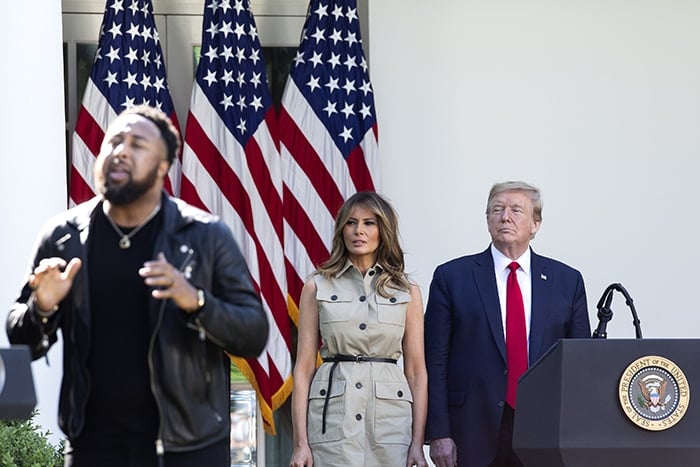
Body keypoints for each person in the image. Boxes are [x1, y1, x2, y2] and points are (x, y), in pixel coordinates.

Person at [6, 105, 269, 467]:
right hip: (93, 448)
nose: (121, 150)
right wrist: (43, 308)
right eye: (114, 141)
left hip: (188, 448)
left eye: (137, 144)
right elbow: (21, 341)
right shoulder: (63, 237)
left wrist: (197, 301)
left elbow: (253, 333)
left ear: (163, 167)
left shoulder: (204, 236)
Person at [424, 181, 591, 467]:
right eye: (497, 210)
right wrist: (438, 432)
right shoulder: (452, 277)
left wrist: (578, 432)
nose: (505, 217)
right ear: (487, 220)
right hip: (471, 429)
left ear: (535, 224)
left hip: (545, 429)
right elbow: (434, 360)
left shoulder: (567, 280)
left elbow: (579, 362)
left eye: (516, 210)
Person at [289, 192, 428, 467]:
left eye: (369, 223)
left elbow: (416, 370)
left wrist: (417, 443)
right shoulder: (317, 286)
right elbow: (304, 367)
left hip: (390, 423)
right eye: (351, 223)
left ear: (383, 230)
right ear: (342, 230)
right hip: (331, 419)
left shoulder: (407, 291)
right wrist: (300, 443)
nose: (359, 231)